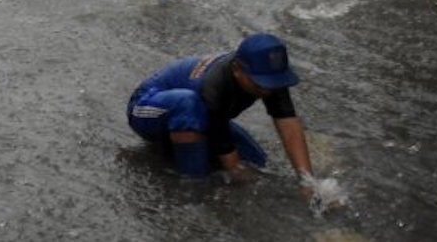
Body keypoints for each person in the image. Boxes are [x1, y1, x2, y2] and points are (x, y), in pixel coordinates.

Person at [127, 34, 318, 194]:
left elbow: (288, 124)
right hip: (147, 110)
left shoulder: (270, 80)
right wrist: (236, 173)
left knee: (257, 162)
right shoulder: (215, 82)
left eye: (272, 84)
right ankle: (192, 185)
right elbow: (219, 134)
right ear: (237, 70)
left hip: (205, 117)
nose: (266, 92)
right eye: (260, 84)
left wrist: (307, 182)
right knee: (188, 104)